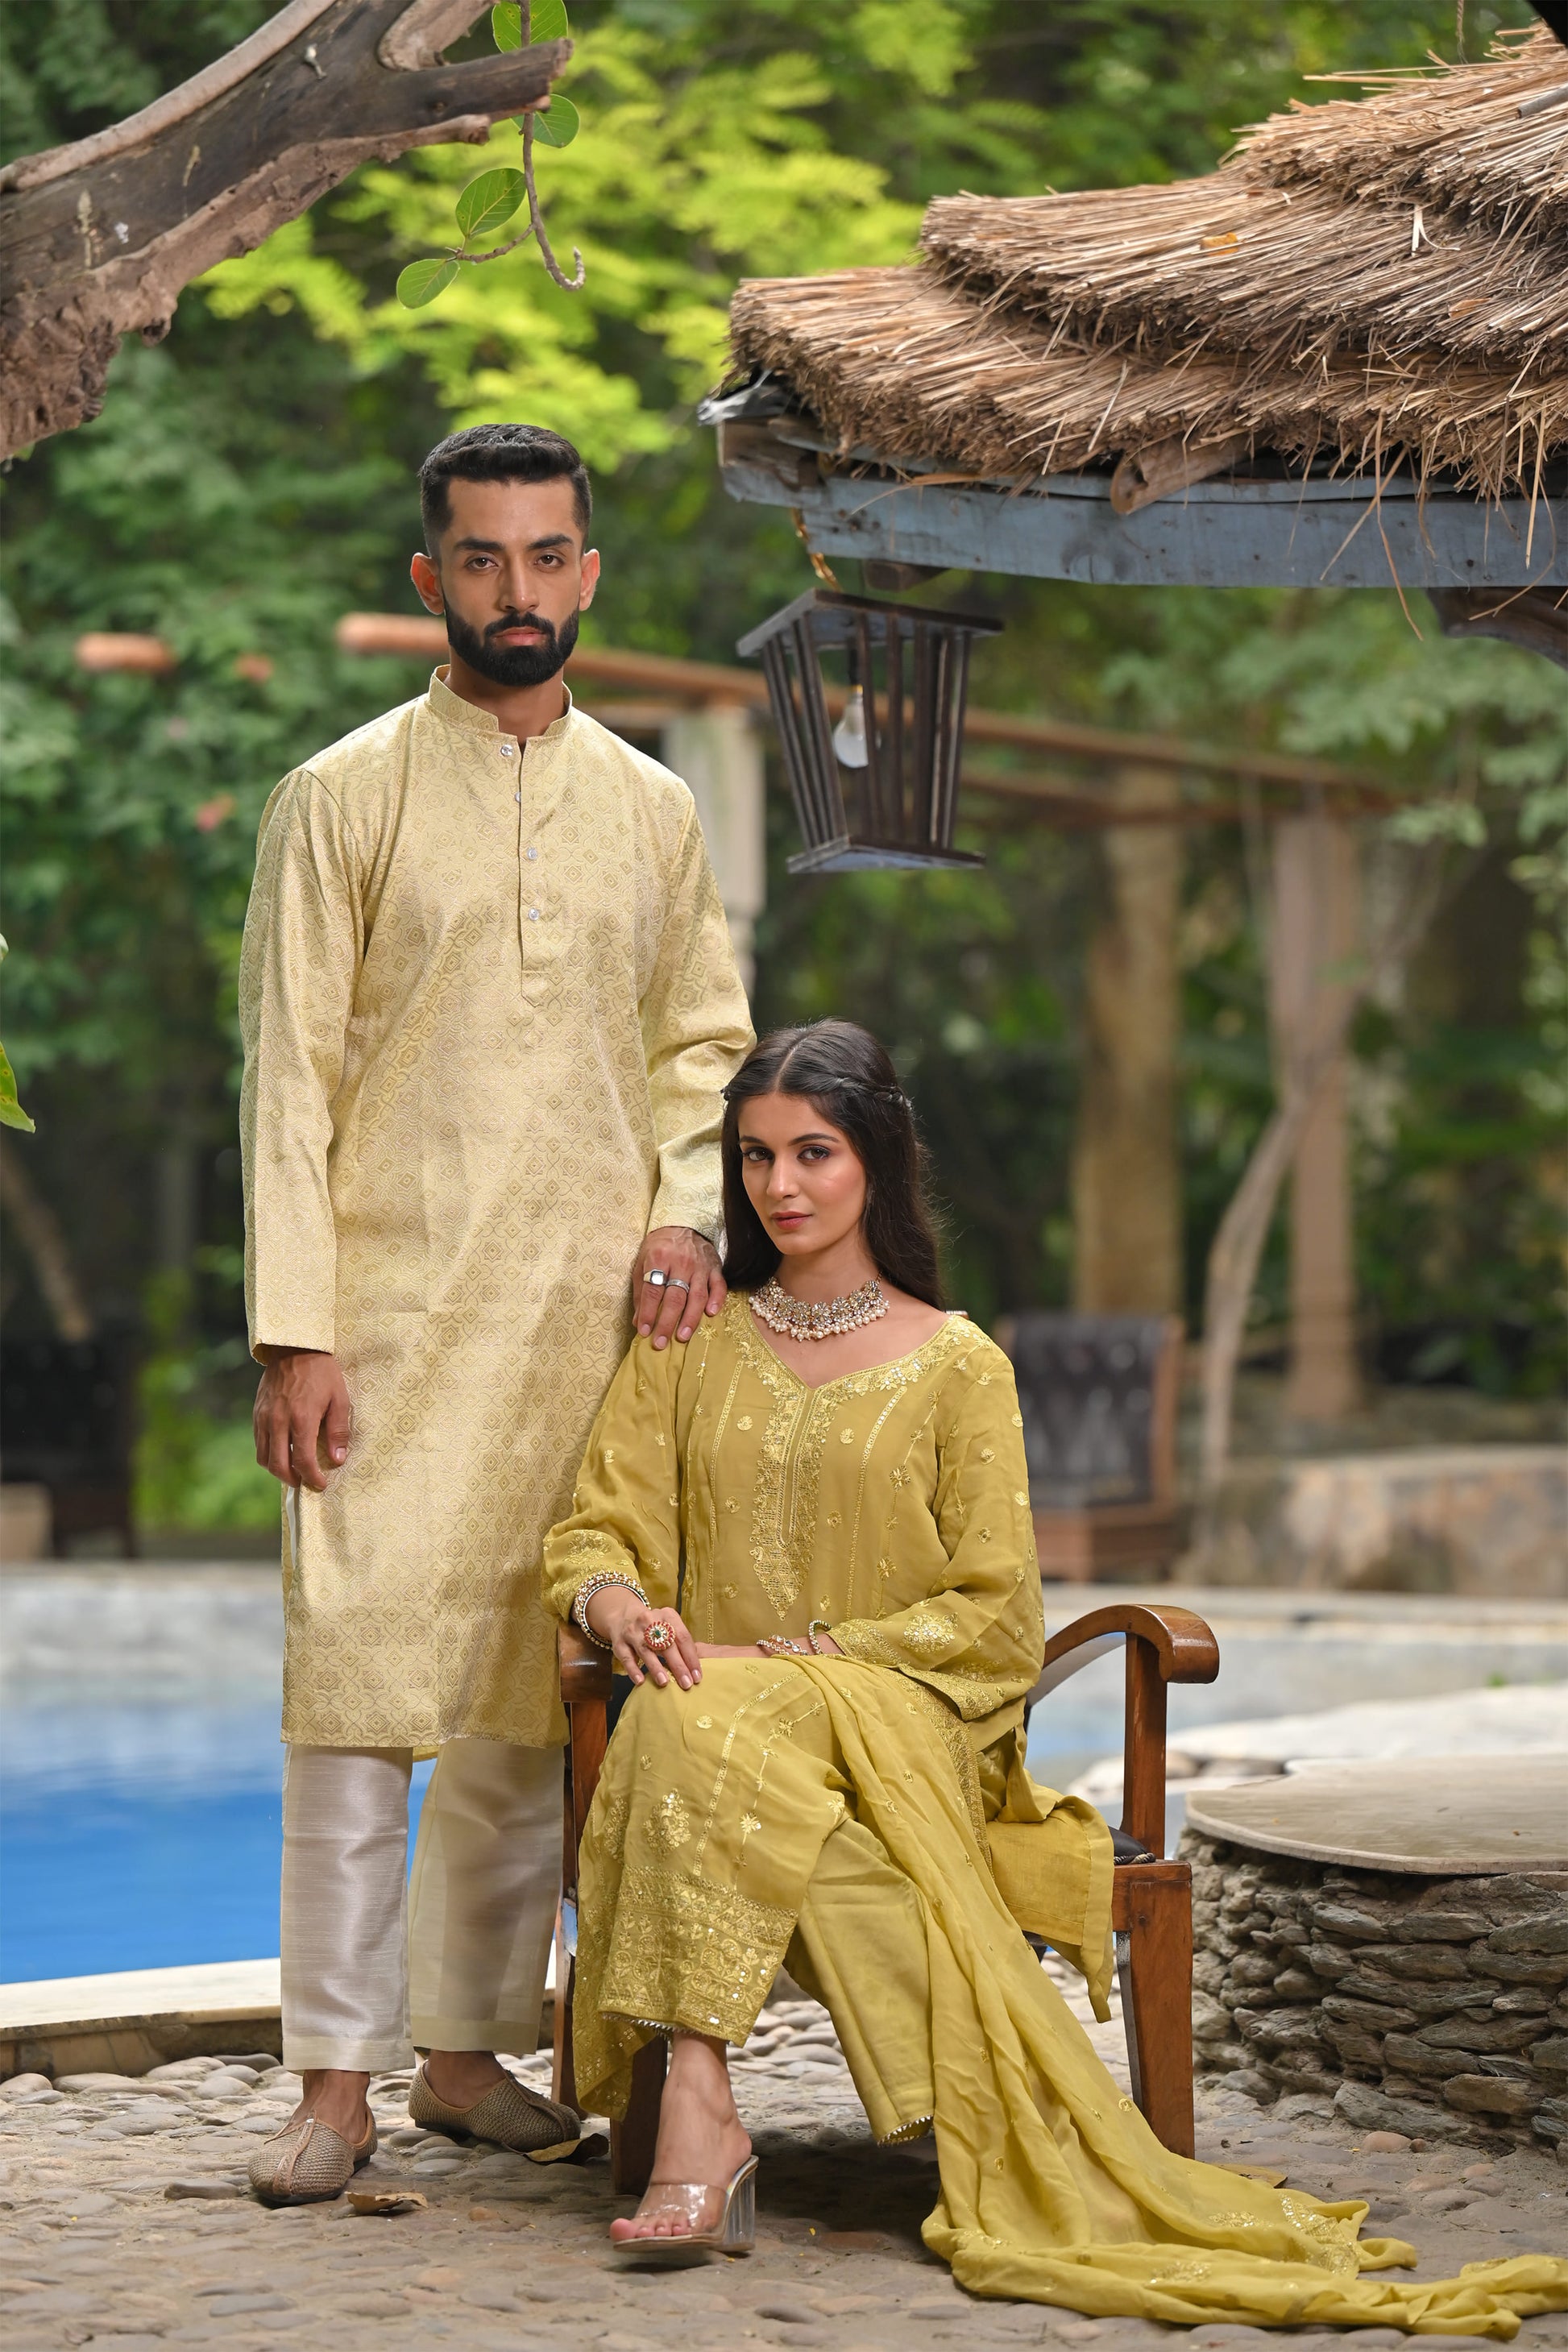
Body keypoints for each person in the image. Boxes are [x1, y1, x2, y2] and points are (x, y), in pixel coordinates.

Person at [542, 1020, 1567, 2330]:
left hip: (908, 1730)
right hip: (717, 1730)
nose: (779, 1186)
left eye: (813, 1153)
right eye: (754, 1157)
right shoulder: (688, 1346)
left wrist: (795, 1661)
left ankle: (701, 2124)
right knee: (697, 1712)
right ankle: (699, 2094)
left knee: (693, 1708)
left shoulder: (956, 1365)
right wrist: (615, 1602)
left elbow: (992, 1615)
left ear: (876, 1160)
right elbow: (594, 1529)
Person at [239, 421, 753, 2205]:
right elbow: (287, 1081)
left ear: (587, 574)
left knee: (530, 1706)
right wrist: (294, 1330)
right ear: (429, 579)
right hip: (380, 1328)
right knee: (353, 1698)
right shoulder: (340, 797)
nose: (515, 589)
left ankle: (462, 2058)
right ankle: (332, 2084)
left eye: (545, 556)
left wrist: (683, 1211)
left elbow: (702, 1043)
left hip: (581, 1335)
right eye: (481, 557)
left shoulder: (653, 808)